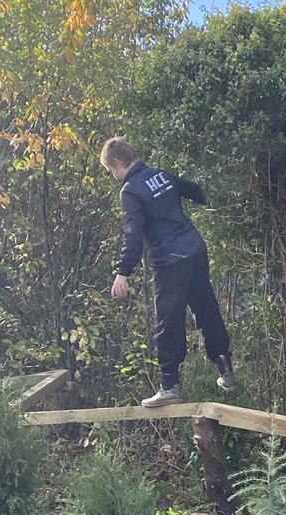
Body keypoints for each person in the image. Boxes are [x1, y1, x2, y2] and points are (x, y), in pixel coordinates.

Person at [100, 137, 235, 407]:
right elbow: (195, 191)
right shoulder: (160, 175)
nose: (112, 176)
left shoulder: (130, 191)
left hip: (169, 261)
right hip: (195, 249)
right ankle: (226, 371)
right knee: (206, 308)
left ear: (118, 163)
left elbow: (132, 234)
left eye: (110, 170)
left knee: (168, 321)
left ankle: (170, 386)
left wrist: (123, 272)